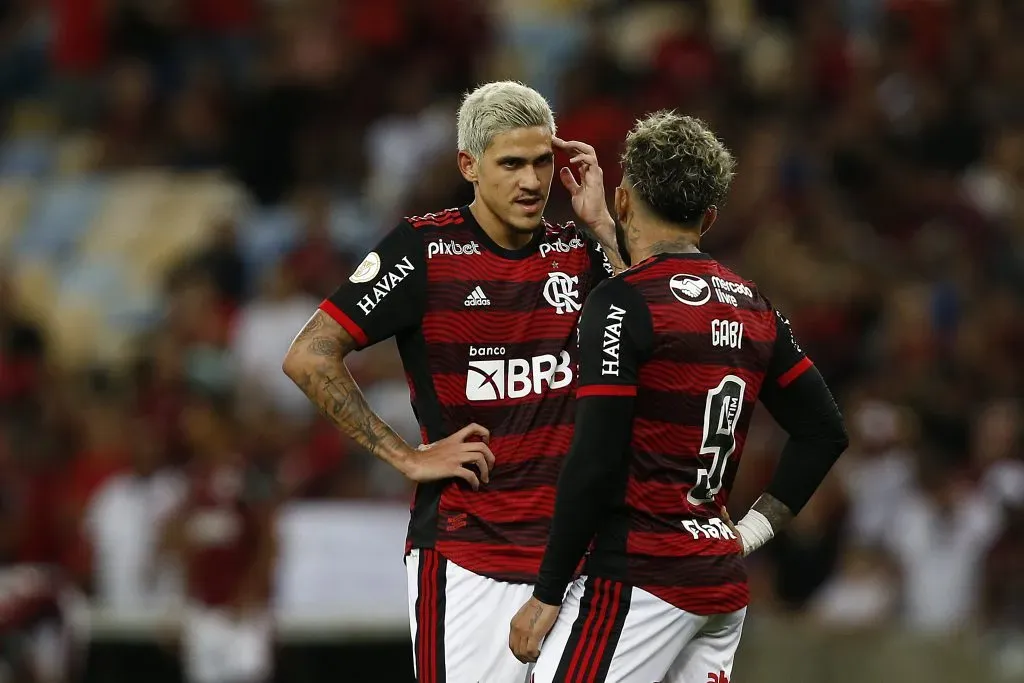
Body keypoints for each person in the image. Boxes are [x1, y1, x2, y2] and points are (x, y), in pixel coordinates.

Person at [282, 81, 625, 683]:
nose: (531, 181)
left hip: (582, 560)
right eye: (511, 163)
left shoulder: (581, 249)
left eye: (543, 161)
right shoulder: (425, 249)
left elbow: (668, 343)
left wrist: (602, 230)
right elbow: (309, 356)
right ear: (469, 165)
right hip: (472, 557)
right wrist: (405, 456)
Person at [508, 111, 850, 683]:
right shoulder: (752, 304)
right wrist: (749, 532)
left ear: (622, 200)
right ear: (710, 216)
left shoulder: (620, 304)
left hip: (639, 579)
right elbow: (824, 432)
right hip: (716, 584)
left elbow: (594, 457)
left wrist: (547, 592)